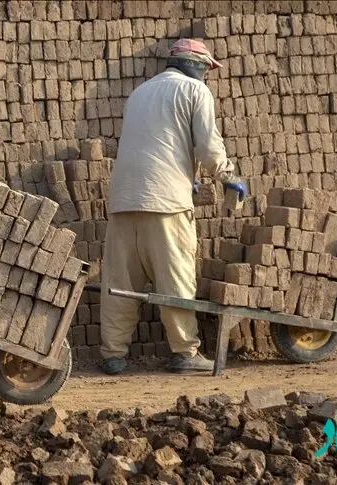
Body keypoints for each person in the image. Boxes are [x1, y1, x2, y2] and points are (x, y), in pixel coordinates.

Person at [99, 39, 248, 375]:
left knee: (121, 282)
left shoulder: (139, 93)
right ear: (196, 64)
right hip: (166, 203)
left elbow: (158, 142)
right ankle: (184, 352)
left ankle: (112, 354)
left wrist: (189, 175)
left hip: (123, 199)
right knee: (175, 280)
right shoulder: (196, 92)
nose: (208, 77)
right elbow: (208, 145)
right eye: (208, 69)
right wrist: (228, 177)